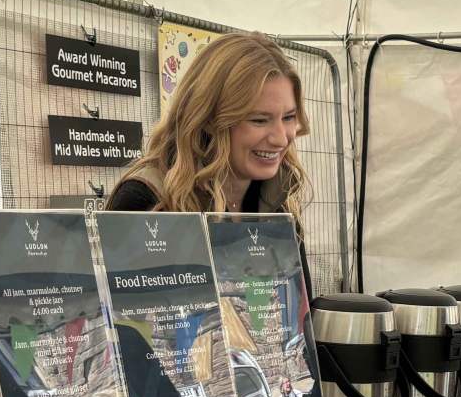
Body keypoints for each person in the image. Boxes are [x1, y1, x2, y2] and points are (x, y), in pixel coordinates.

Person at [107, 31, 314, 297]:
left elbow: (298, 315)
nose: (280, 138)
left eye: (288, 117)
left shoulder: (280, 199)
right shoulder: (146, 198)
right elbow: (128, 325)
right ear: (208, 119)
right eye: (259, 120)